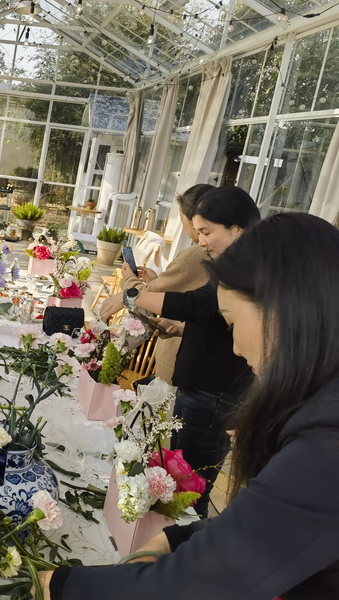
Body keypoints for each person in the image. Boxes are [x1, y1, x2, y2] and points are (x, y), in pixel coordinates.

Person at [37, 213, 339, 598]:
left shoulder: (325, 445)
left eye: (231, 324)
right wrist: (178, 538)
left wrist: (59, 585)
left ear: (284, 310)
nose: (235, 347)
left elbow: (196, 583)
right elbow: (272, 523)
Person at [104, 186, 260, 518]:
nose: (201, 241)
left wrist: (132, 294)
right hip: (205, 387)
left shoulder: (247, 270)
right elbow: (211, 314)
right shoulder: (236, 265)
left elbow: (199, 304)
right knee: (183, 479)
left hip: (215, 392)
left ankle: (180, 551)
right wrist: (182, 327)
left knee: (190, 489)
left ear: (237, 227)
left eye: (207, 231)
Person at [98, 184, 214, 385]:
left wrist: (128, 280)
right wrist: (160, 280)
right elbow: (189, 297)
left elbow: (148, 295)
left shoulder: (195, 255)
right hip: (194, 359)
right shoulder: (213, 255)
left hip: (180, 363)